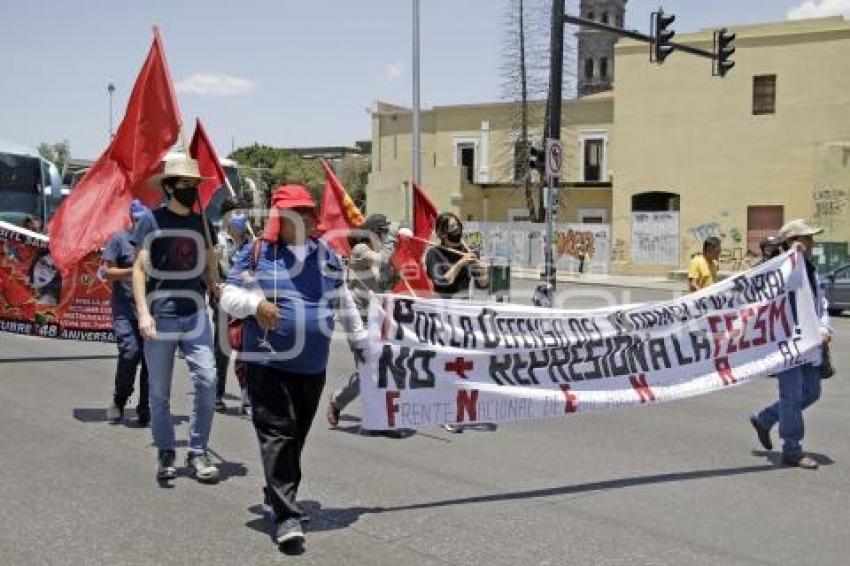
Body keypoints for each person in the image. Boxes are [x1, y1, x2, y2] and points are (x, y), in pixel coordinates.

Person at [220, 184, 367, 548]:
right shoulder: (257, 254)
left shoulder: (327, 256)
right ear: (277, 220)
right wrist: (256, 307)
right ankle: (286, 517)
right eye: (292, 213)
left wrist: (361, 341)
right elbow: (226, 294)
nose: (301, 218)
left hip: (312, 366)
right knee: (279, 434)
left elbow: (343, 299)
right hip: (267, 362)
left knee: (295, 436)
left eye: (306, 212)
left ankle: (275, 492)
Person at [131, 157, 222, 483]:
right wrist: (143, 314)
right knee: (158, 392)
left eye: (195, 184)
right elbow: (139, 270)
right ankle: (166, 450)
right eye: (185, 185)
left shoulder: (204, 225)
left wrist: (215, 283)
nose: (192, 190)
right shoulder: (151, 222)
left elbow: (209, 268)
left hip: (196, 314)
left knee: (208, 382)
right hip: (161, 317)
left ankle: (197, 451)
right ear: (169, 187)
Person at [749, 220, 832, 470]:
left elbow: (821, 302)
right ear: (791, 241)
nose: (810, 243)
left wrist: (825, 327)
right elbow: (762, 294)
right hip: (787, 343)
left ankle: (766, 418)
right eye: (805, 238)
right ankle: (792, 450)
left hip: (810, 343)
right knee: (792, 395)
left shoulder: (810, 268)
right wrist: (788, 258)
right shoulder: (778, 269)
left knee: (812, 392)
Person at [325, 213, 404, 429]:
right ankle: (343, 402)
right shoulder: (361, 250)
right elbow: (383, 259)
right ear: (375, 233)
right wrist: (394, 235)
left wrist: (396, 273)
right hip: (358, 320)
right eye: (385, 233)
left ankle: (374, 415)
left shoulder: (376, 255)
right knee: (370, 367)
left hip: (378, 319)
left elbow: (382, 283)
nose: (388, 237)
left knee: (379, 368)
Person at [424, 212, 491, 433]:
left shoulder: (464, 251)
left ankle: (461, 409)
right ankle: (446, 412)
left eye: (458, 225)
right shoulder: (434, 253)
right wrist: (461, 263)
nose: (457, 229)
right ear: (442, 232)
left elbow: (482, 284)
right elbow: (443, 280)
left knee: (464, 366)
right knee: (447, 365)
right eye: (451, 226)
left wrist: (482, 270)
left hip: (464, 315)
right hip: (443, 315)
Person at [104, 199, 151, 426]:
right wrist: (133, 271)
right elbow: (108, 273)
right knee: (130, 353)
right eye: (137, 218)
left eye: (145, 219)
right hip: (125, 310)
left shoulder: (156, 243)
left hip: (151, 311)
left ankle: (145, 407)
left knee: (151, 360)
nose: (140, 223)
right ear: (131, 218)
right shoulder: (118, 239)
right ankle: (119, 400)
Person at [213, 198, 253, 414]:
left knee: (247, 349)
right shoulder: (216, 240)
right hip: (224, 302)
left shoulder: (253, 243)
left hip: (246, 302)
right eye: (237, 212)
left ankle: (247, 395)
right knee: (222, 349)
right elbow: (208, 268)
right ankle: (216, 394)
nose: (242, 217)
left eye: (244, 213)